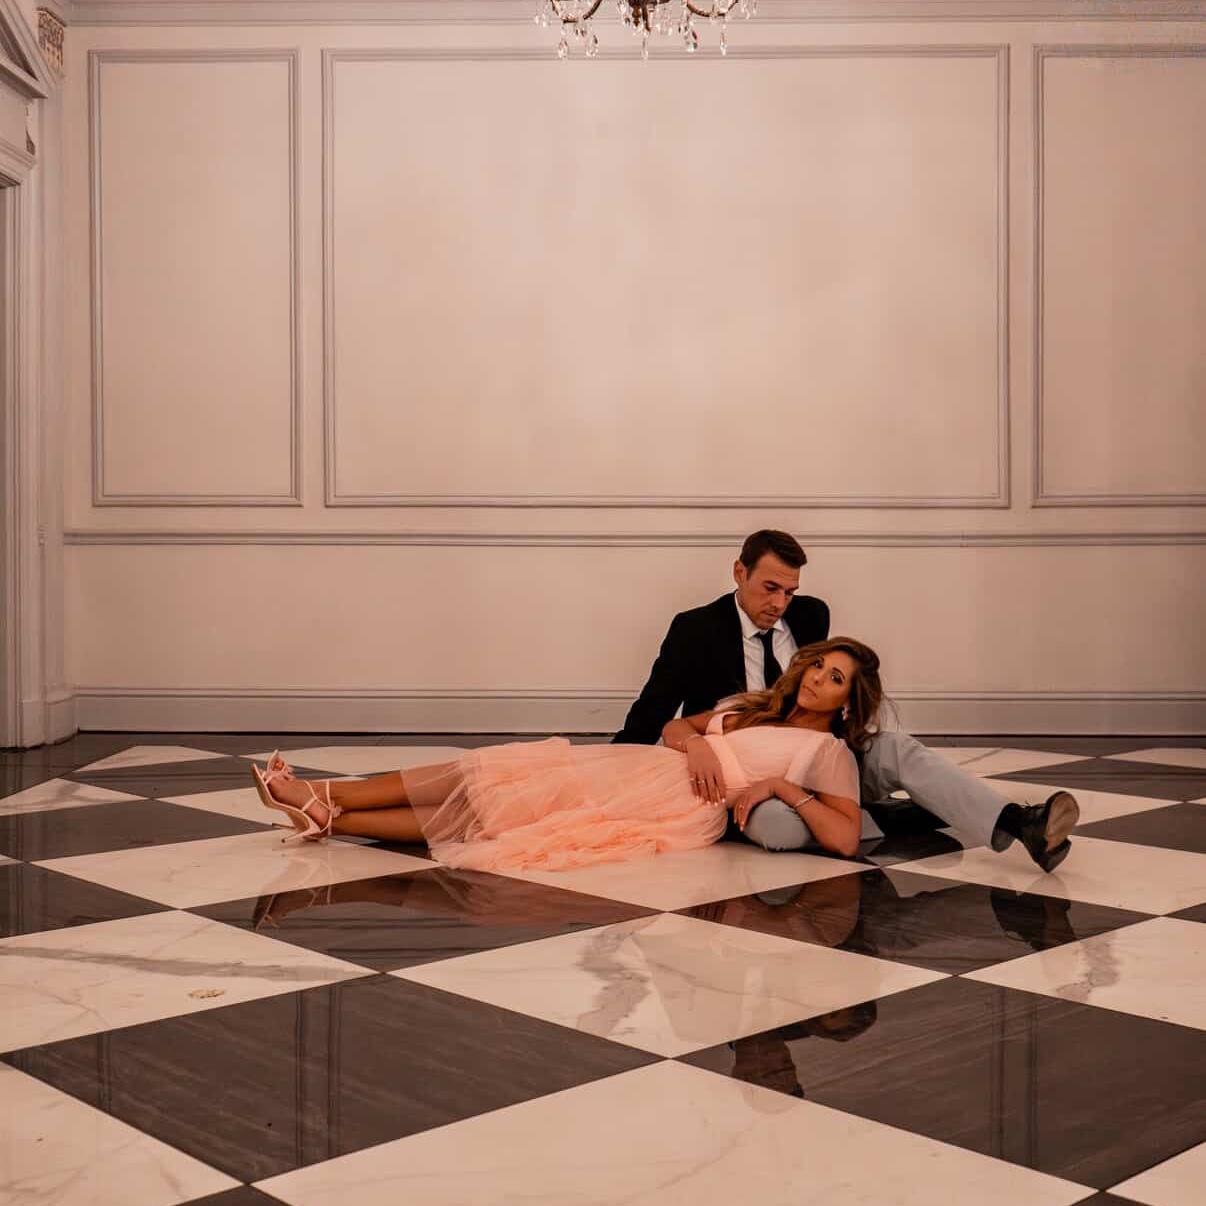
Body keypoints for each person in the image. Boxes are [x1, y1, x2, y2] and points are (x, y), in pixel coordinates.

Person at [615, 529, 1079, 873]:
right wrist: (615, 772)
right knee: (775, 826)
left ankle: (1020, 824)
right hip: (750, 776)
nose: (780, 603)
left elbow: (831, 692)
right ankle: (890, 816)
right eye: (770, 588)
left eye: (790, 591)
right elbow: (653, 710)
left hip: (822, 754)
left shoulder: (810, 615)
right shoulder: (695, 629)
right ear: (740, 572)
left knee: (895, 749)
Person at [251, 640, 882, 871]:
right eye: (819, 667)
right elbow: (672, 726)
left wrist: (778, 787)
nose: (818, 680)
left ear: (848, 701)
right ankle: (326, 802)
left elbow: (846, 839)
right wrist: (696, 744)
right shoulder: (755, 705)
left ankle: (327, 809)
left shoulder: (826, 750)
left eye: (835, 679)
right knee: (487, 773)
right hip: (644, 766)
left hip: (674, 806)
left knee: (498, 815)